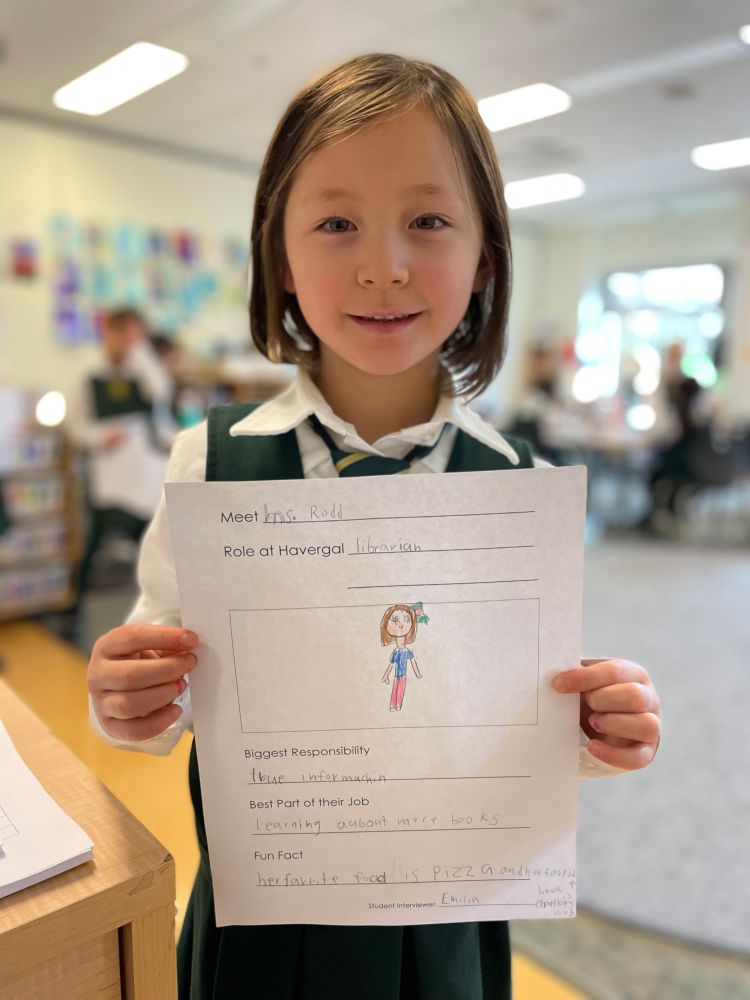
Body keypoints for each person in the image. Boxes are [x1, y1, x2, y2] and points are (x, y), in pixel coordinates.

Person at [86, 55, 662, 1000]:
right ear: (278, 254)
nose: (383, 264)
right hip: (263, 923)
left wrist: (599, 729)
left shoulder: (518, 485)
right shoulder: (210, 463)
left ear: (485, 258)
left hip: (445, 934)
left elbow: (526, 715)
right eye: (336, 222)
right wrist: (132, 700)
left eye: (428, 221)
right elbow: (171, 698)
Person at [67, 308, 175, 602]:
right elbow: (75, 425)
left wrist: (140, 355)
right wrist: (101, 437)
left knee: (157, 546)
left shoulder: (144, 373)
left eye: (135, 335)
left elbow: (161, 393)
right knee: (99, 538)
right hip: (111, 474)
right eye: (122, 334)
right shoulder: (90, 377)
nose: (127, 341)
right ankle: (77, 604)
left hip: (147, 473)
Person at [381, 604, 423, 711]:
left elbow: (413, 663)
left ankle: (398, 705)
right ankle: (392, 705)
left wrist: (418, 674)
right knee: (395, 688)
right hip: (396, 675)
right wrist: (385, 676)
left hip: (403, 676)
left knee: (400, 689)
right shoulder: (396, 652)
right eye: (395, 620)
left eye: (406, 619)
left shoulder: (407, 651)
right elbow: (391, 664)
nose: (401, 625)